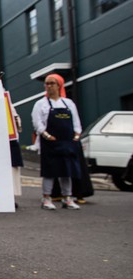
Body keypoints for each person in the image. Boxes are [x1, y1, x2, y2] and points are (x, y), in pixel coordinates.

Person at [31, 73, 82, 210]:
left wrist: (76, 135)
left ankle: (67, 198)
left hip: (68, 142)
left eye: (52, 83)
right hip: (50, 142)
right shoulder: (40, 104)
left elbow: (76, 121)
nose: (48, 86)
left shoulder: (68, 103)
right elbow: (37, 123)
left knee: (67, 171)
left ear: (59, 85)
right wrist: (46, 135)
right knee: (50, 171)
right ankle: (47, 198)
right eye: (46, 83)